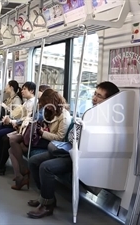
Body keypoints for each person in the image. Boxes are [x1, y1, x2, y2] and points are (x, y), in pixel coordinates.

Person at [26, 81, 120, 219]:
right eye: (95, 93)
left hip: (83, 157)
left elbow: (95, 143)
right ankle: (46, 198)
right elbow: (72, 136)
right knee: (34, 161)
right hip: (71, 151)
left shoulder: (110, 120)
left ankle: (47, 206)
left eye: (99, 96)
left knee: (46, 167)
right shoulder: (90, 113)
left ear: (109, 100)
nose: (94, 98)